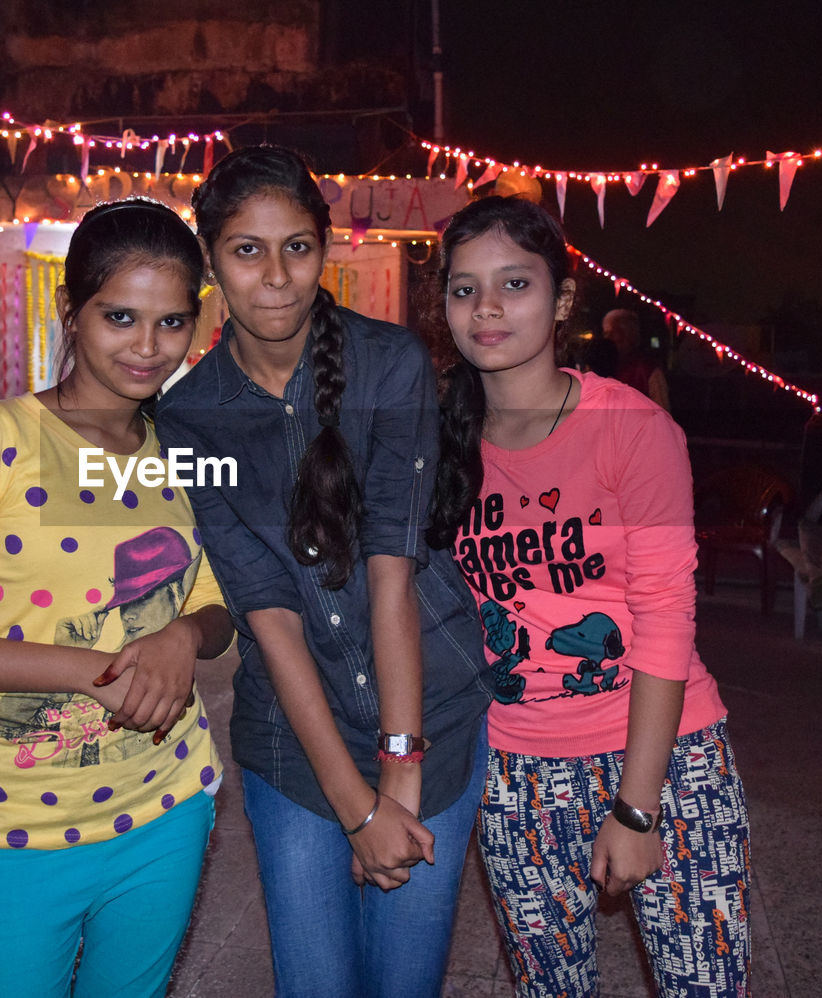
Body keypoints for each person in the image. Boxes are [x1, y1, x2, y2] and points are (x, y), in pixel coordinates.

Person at [0, 198, 233, 998]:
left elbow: (213, 601)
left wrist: (183, 637)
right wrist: (88, 669)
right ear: (71, 313)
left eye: (172, 323)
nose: (147, 347)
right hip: (17, 826)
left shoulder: (180, 449)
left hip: (168, 806)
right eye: (121, 316)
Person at [155, 145, 493, 998]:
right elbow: (266, 612)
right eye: (246, 250)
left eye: (297, 247)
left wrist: (400, 773)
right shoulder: (190, 417)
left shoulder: (390, 364)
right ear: (211, 264)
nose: (276, 277)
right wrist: (355, 805)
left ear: (325, 250)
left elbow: (392, 571)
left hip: (432, 720)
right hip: (296, 744)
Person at [432, 195, 750, 997]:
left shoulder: (632, 428)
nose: (488, 308)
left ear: (562, 299)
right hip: (516, 771)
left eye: (515, 283)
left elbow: (669, 618)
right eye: (464, 289)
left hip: (664, 760)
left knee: (702, 985)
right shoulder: (437, 442)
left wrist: (638, 809)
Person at [602, 307, 671, 411]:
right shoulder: (602, 366)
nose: (608, 338)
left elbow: (662, 414)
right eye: (606, 333)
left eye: (614, 332)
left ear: (629, 334)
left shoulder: (648, 370)